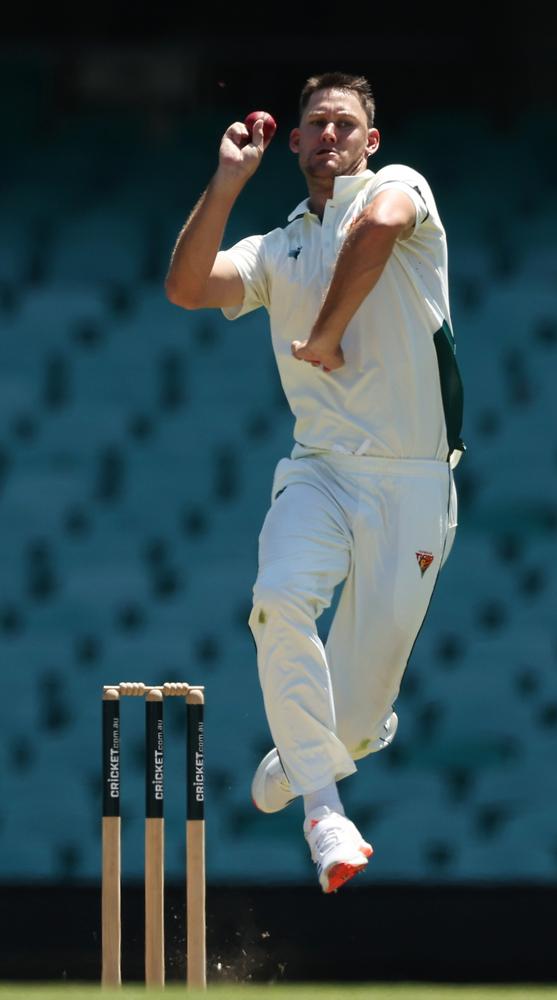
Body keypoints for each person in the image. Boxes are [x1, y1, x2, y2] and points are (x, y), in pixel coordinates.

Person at [166, 71, 464, 893]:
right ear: (292, 142)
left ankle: (331, 744)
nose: (329, 137)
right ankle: (324, 812)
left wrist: (328, 332)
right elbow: (188, 288)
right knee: (278, 600)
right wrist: (228, 183)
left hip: (412, 485)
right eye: (315, 126)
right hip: (321, 472)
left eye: (344, 125)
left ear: (371, 141)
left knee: (360, 711)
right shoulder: (278, 247)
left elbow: (378, 232)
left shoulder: (402, 189)